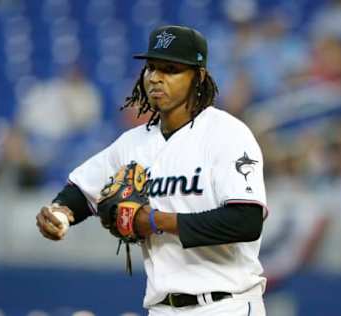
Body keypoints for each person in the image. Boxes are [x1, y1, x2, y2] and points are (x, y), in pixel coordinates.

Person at [36, 25, 268, 315]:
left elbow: (245, 221)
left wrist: (156, 221)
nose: (156, 78)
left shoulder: (227, 134)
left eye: (170, 69)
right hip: (161, 308)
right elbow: (82, 191)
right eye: (151, 68)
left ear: (199, 76)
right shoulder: (133, 143)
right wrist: (61, 214)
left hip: (225, 304)